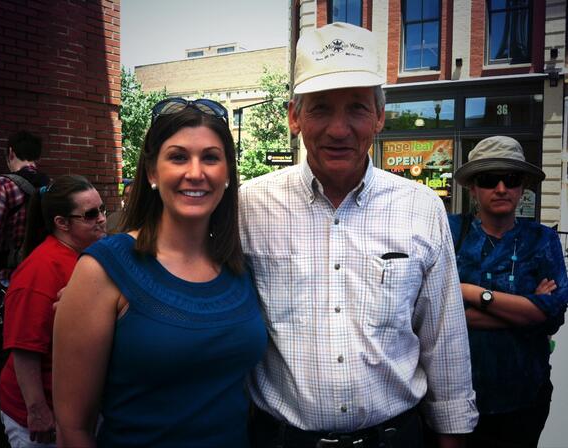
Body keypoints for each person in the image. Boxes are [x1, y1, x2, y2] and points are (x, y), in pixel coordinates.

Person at [239, 22, 477, 448]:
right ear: (294, 117)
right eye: (320, 108)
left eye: (357, 108)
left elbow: (443, 338)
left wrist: (453, 433)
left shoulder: (421, 208)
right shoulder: (248, 207)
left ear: (380, 117)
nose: (338, 129)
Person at [53, 98, 267, 448]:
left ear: (227, 173)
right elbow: (72, 427)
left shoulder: (238, 265)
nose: (195, 172)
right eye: (178, 157)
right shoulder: (104, 268)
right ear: (152, 172)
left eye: (210, 158)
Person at [449, 136, 568, 448]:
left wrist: (470, 292)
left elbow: (553, 315)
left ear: (522, 186)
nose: (501, 188)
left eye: (511, 179)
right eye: (489, 179)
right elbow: (436, 312)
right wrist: (527, 311)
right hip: (459, 396)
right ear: (473, 187)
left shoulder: (542, 240)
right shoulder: (450, 233)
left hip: (525, 395)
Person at [0, 175, 106, 448]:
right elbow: (24, 348)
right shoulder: (39, 271)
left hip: (74, 410)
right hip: (38, 420)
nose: (102, 218)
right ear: (62, 223)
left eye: (102, 209)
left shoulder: (85, 255)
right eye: (91, 214)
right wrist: (37, 410)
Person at [0, 131, 49, 448]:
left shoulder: (2, 185)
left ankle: (1, 438)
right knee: (29, 358)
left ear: (10, 152)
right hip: (37, 283)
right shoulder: (48, 185)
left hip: (4, 286)